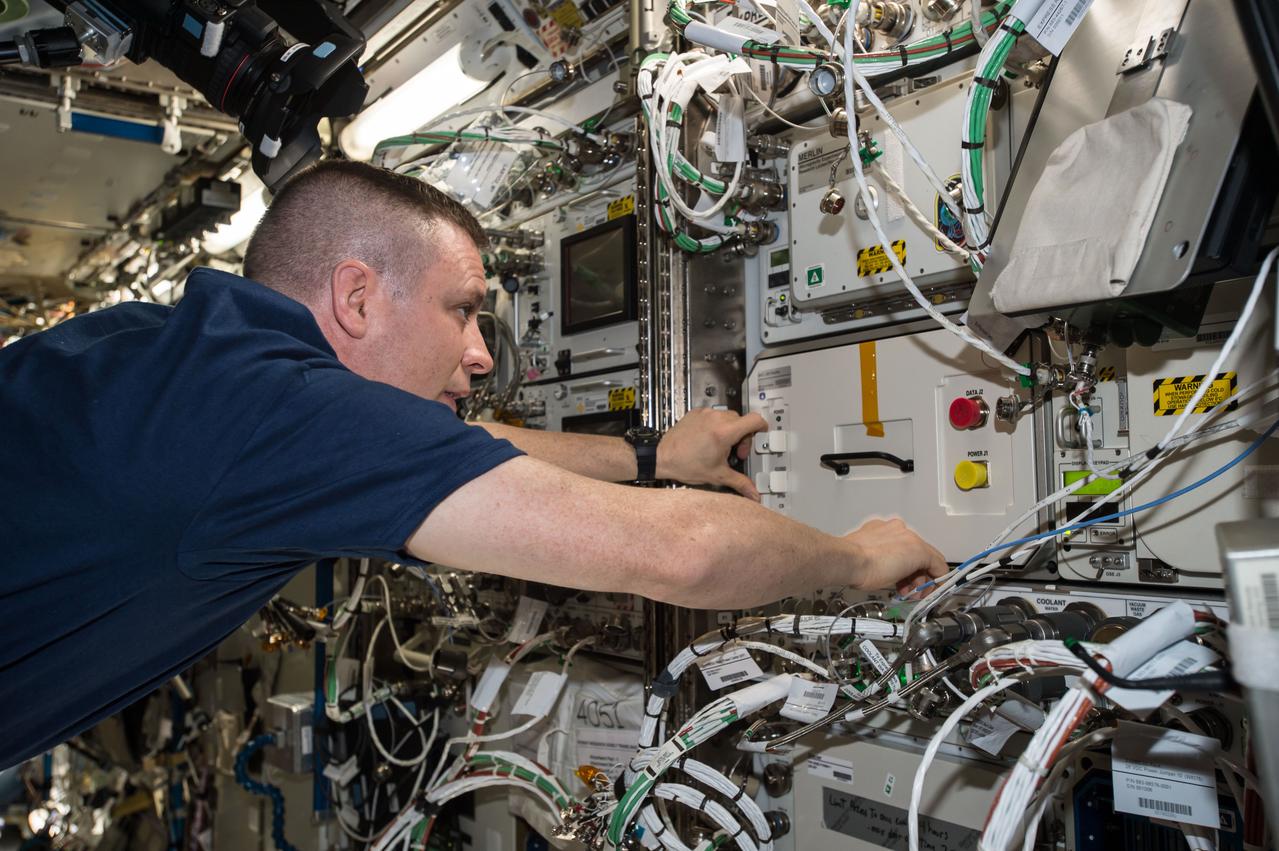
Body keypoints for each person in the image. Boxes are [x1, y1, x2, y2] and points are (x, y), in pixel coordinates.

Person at [0, 160, 946, 770]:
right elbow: (679, 554)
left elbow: (449, 451)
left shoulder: (165, 350)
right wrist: (855, 558)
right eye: (461, 310)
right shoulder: (276, 416)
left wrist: (652, 452)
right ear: (358, 296)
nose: (483, 353)